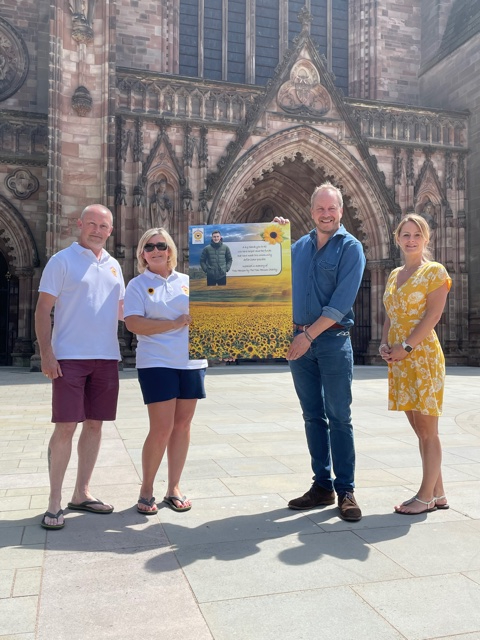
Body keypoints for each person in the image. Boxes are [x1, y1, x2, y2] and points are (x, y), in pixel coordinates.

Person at [277, 182, 366, 521]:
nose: (326, 214)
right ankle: (321, 486)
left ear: (341, 211)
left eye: (332, 208)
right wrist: (274, 237)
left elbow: (342, 302)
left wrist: (308, 336)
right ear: (311, 211)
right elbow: (269, 280)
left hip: (331, 341)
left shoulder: (351, 247)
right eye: (320, 208)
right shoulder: (298, 247)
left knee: (339, 416)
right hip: (299, 340)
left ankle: (346, 490)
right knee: (312, 416)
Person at [35, 204, 125, 530]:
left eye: (103, 226)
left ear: (110, 231)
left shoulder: (114, 266)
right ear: (80, 224)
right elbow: (43, 310)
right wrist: (46, 353)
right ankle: (54, 501)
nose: (97, 230)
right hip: (69, 358)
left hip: (107, 357)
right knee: (65, 426)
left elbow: (123, 312)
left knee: (95, 425)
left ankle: (81, 493)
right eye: (92, 224)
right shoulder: (62, 261)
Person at [124, 228, 207, 514]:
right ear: (142, 253)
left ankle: (174, 488)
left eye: (161, 245)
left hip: (192, 362)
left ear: (170, 249)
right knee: (161, 428)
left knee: (182, 426)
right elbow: (133, 323)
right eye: (149, 247)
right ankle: (146, 489)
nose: (156, 251)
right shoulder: (137, 284)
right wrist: (174, 323)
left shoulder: (189, 281)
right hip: (156, 361)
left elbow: (210, 315)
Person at [379, 214, 451, 515]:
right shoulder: (395, 274)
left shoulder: (434, 271)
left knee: (427, 429)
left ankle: (424, 497)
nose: (411, 240)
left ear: (426, 239)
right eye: (406, 234)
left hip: (421, 357)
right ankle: (439, 493)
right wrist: (384, 343)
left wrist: (406, 346)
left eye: (417, 235)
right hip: (399, 358)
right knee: (418, 427)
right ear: (397, 238)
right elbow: (390, 314)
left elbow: (432, 316)